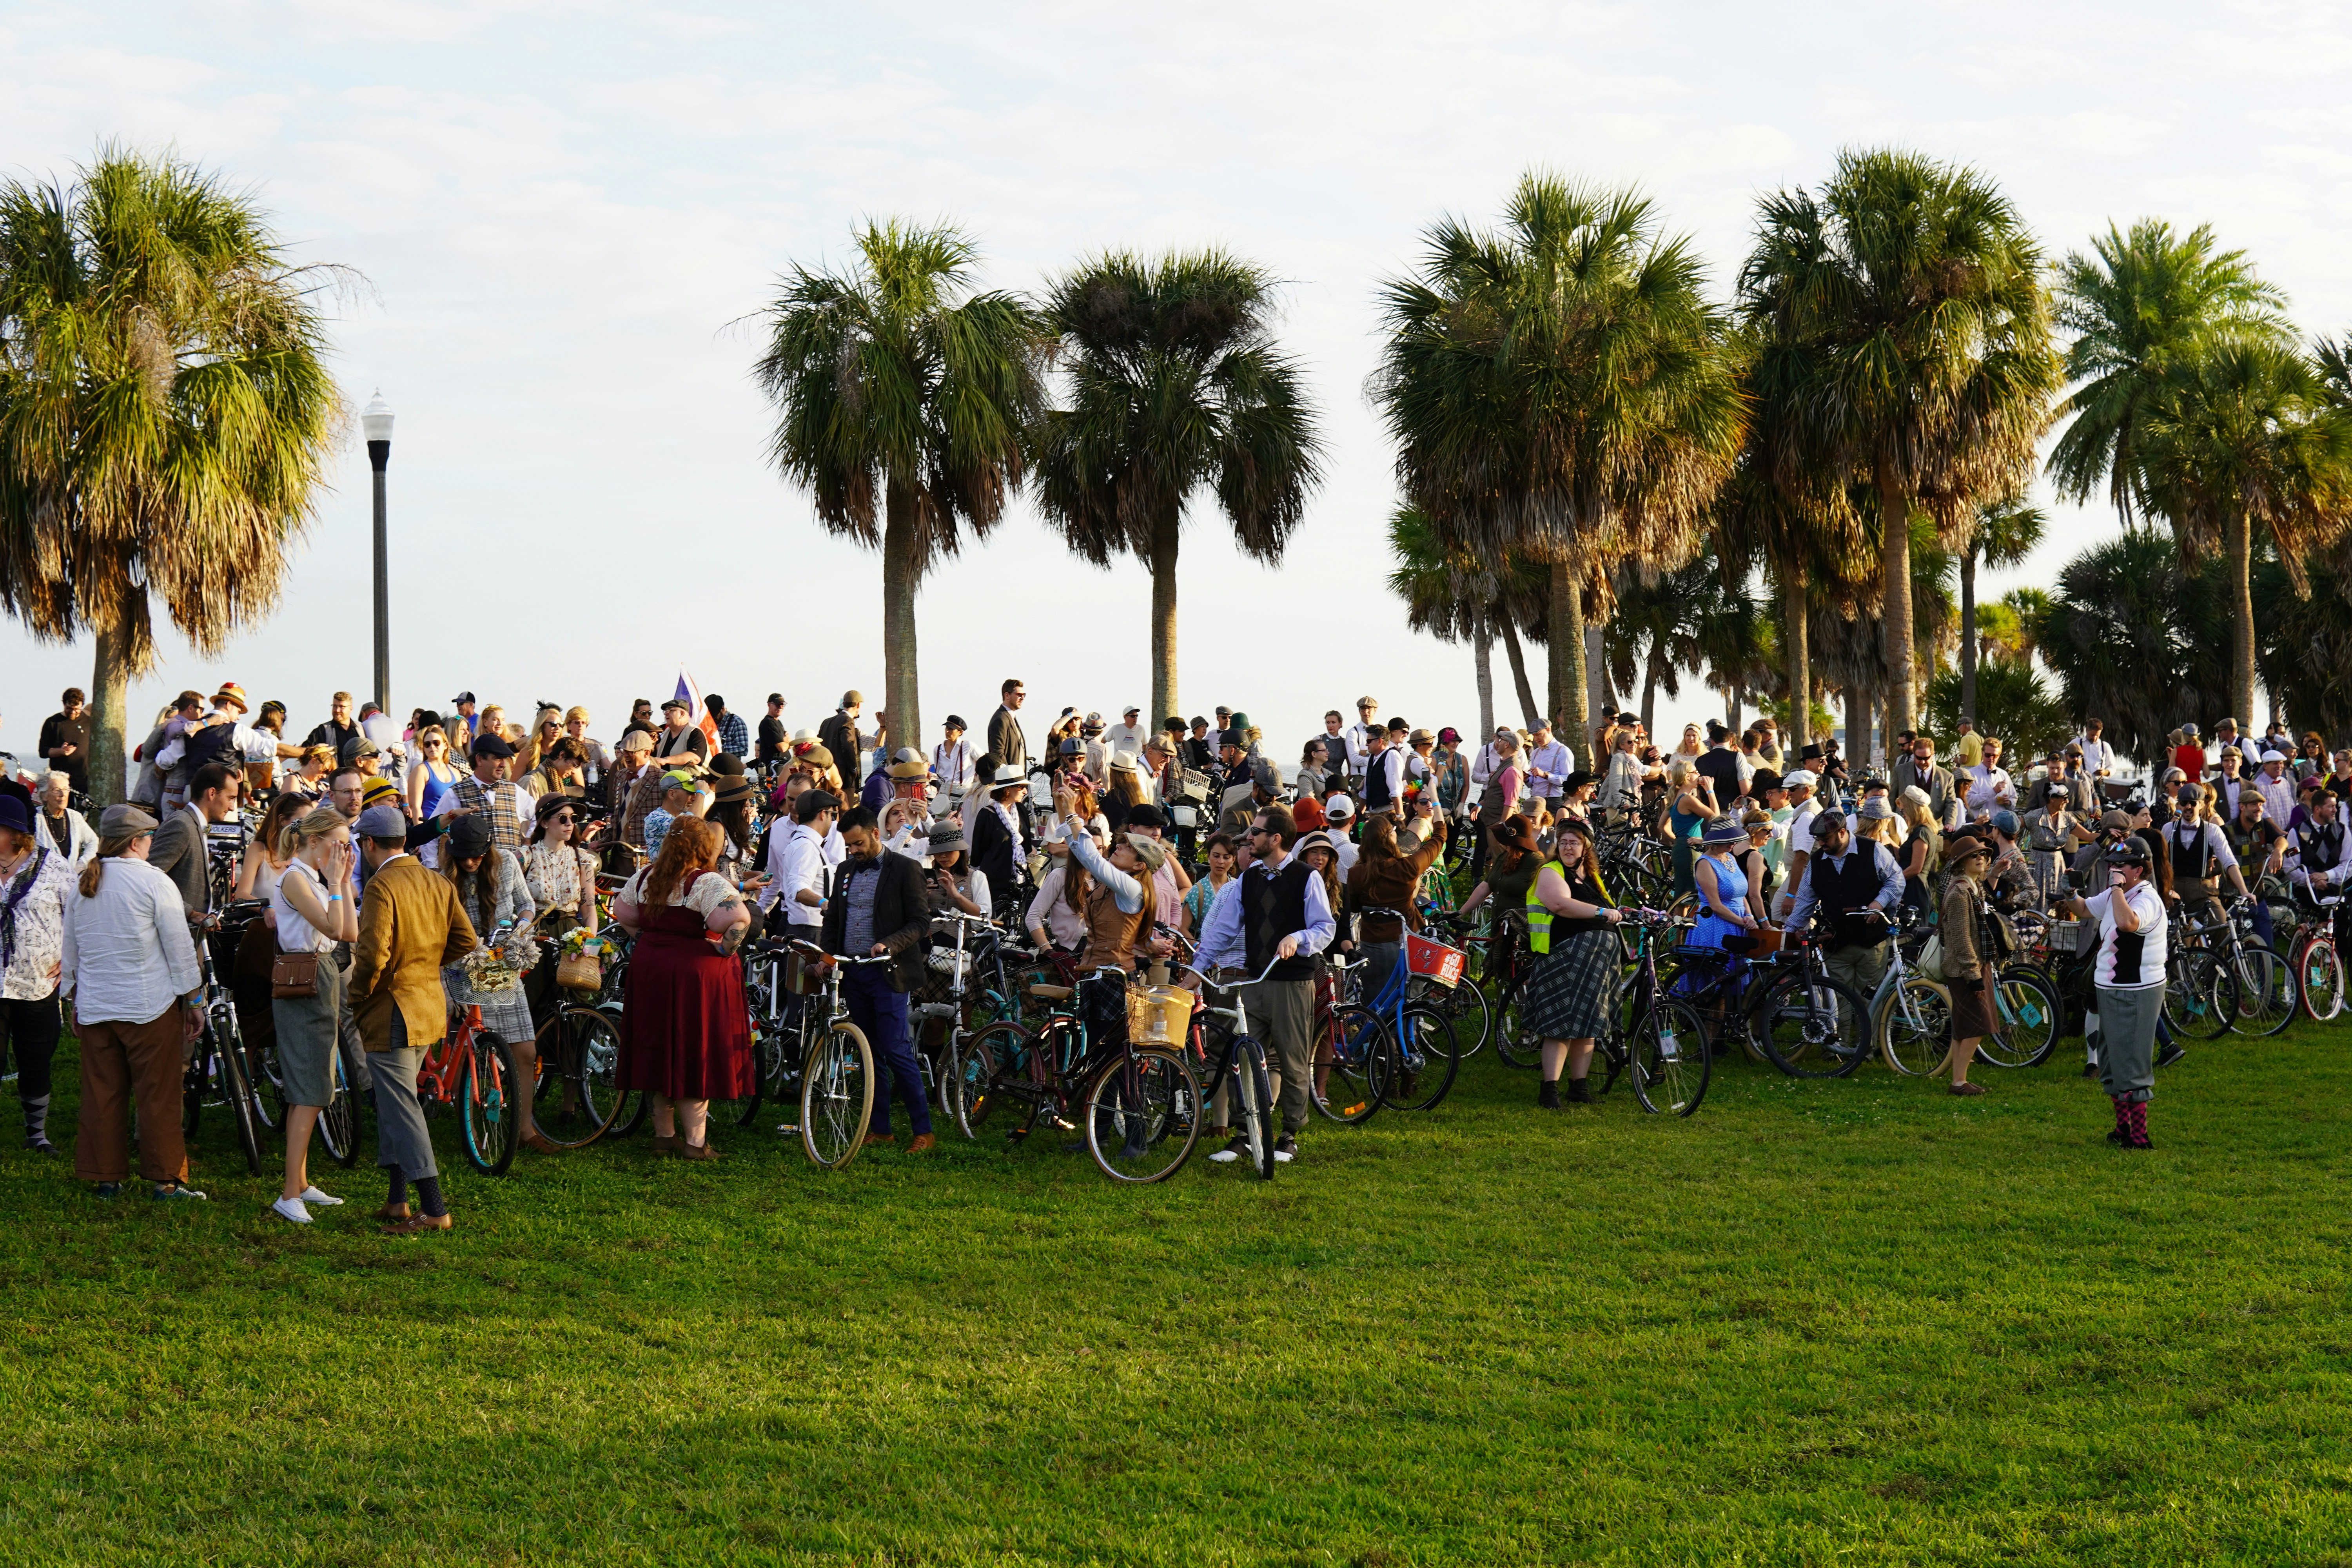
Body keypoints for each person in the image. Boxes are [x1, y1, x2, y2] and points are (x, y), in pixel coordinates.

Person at [63, 804, 207, 1199]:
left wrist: (74, 1000)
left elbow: (70, 951)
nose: (151, 844)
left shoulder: (84, 884)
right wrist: (194, 1001)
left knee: (101, 1095)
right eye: (149, 837)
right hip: (148, 1008)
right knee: (159, 1095)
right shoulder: (154, 882)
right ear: (135, 842)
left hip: (97, 1007)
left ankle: (105, 1178)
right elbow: (179, 948)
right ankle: (166, 1180)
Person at [1189, 805, 1334, 1166]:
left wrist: (1297, 938)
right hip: (1253, 982)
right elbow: (1223, 930)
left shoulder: (1306, 877)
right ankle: (1244, 1134)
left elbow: (1325, 928)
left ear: (1276, 838)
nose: (1249, 838)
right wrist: (1196, 970)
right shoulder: (1249, 878)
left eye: (1256, 832)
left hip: (1293, 984)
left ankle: (1289, 1135)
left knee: (1292, 1059)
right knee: (1241, 1057)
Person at [612, 817, 752, 1160]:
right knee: (693, 1049)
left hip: (650, 970)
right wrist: (726, 948)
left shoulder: (646, 876)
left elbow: (623, 912)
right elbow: (740, 918)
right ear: (704, 848)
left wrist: (647, 939)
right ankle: (695, 1143)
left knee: (658, 1046)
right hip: (694, 975)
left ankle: (664, 1137)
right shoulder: (705, 882)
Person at [265, 806, 360, 1222]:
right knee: (310, 1089)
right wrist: (337, 883)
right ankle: (289, 1193)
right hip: (305, 979)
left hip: (321, 974)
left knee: (315, 1085)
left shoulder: (316, 879)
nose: (343, 852)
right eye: (338, 844)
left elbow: (350, 932)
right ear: (315, 840)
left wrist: (343, 883)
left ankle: (300, 1183)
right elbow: (333, 928)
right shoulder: (294, 879)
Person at [820, 807, 935, 1152]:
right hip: (853, 972)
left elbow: (921, 922)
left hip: (888, 972)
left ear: (875, 833)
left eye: (858, 844)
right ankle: (881, 1128)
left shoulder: (906, 868)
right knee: (868, 1052)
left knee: (896, 1049)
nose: (853, 850)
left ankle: (923, 1130)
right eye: (848, 846)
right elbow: (833, 920)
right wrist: (827, 957)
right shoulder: (844, 871)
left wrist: (890, 944)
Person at [437, 813, 545, 1143]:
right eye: (464, 856)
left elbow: (526, 904)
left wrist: (521, 927)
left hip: (499, 965)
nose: (471, 862)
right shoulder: (442, 877)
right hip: (462, 965)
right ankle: (468, 1128)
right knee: (465, 1050)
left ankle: (525, 1130)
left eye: (478, 855)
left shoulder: (507, 863)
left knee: (525, 1051)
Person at [2058, 836, 2167, 1148]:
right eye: (2111, 865)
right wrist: (2070, 893)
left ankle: (2140, 1137)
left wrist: (2117, 890)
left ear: (2139, 870)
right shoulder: (2117, 894)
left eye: (2121, 866)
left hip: (2137, 990)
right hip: (2111, 988)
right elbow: (2084, 909)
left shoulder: (2146, 899)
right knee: (2110, 1060)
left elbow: (2127, 923)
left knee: (2132, 1062)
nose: (2113, 870)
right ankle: (2122, 1129)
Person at [1516, 819, 1624, 1107]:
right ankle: (1549, 1090)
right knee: (1560, 1023)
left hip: (1596, 960)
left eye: (1574, 842)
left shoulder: (1591, 876)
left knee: (1589, 1022)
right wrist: (1602, 912)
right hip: (1563, 958)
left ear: (1586, 847)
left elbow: (1609, 910)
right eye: (1563, 842)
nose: (1567, 847)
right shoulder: (1551, 872)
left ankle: (1579, 1087)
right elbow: (1560, 905)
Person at [0, 793, 77, 1153]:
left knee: (36, 1060)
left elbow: (78, 915)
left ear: (16, 833)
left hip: (38, 982)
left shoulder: (53, 867)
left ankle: (37, 1135)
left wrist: (71, 957)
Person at [1781, 810, 1906, 1006]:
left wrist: (1879, 903)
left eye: (1825, 839)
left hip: (1872, 942)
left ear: (1842, 832)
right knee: (1837, 1002)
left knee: (1870, 1001)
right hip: (1836, 944)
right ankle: (1842, 1029)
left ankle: (1869, 1028)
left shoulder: (1873, 850)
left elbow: (1896, 880)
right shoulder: (1817, 861)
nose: (1821, 844)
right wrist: (1790, 930)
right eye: (1818, 839)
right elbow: (1806, 898)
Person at [1344, 813, 1444, 1005]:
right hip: (1408, 939)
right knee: (1410, 997)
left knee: (1377, 1002)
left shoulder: (1356, 874)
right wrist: (1436, 805)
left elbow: (1355, 907)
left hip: (1374, 945)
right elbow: (1439, 839)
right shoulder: (1409, 866)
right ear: (1391, 838)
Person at [521, 791, 599, 1031]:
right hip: (536, 933)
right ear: (545, 822)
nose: (570, 824)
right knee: (534, 998)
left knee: (576, 996)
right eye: (563, 818)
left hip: (572, 932)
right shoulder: (526, 856)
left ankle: (571, 1051)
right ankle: (535, 1051)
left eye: (573, 819)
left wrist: (590, 942)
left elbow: (589, 908)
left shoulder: (582, 858)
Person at [1939, 828, 1997, 1098]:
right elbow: (1961, 938)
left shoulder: (1974, 888)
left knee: (1966, 1027)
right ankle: (1958, 1081)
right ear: (1961, 863)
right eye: (1974, 856)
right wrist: (1973, 975)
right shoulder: (1960, 893)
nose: (1980, 858)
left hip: (1975, 964)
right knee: (1977, 1025)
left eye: (1983, 854)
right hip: (1965, 969)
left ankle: (1959, 1080)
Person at [149, 763, 242, 920]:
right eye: (231, 798)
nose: (232, 807)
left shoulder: (193, 824)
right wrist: (191, 914)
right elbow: (149, 878)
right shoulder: (181, 825)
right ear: (212, 793)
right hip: (177, 925)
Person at [436, 732, 528, 858]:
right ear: (479, 760)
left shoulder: (515, 790)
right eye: (498, 759)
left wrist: (527, 846)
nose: (503, 765)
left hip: (512, 868)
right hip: (474, 868)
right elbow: (435, 828)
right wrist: (432, 862)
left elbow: (538, 818)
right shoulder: (455, 793)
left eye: (505, 759)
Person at [1689, 817, 1758, 964]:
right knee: (1719, 970)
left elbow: (1741, 894)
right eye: (1728, 840)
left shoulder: (1730, 858)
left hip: (1739, 923)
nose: (1733, 843)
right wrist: (1743, 922)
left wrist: (1749, 916)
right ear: (1715, 843)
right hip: (1717, 925)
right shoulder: (1705, 864)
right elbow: (1716, 906)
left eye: (1734, 839)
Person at [1663, 759, 1716, 897]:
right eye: (1696, 772)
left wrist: (1678, 840)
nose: (1699, 774)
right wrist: (1710, 790)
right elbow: (1716, 817)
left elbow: (1662, 826)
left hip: (1681, 847)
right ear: (1688, 776)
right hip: (1691, 849)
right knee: (1691, 896)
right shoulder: (1687, 799)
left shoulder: (1675, 797)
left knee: (1683, 896)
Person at [32, 772, 96, 870]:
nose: (63, 795)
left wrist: (82, 864)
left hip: (72, 877)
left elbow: (93, 841)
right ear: (44, 795)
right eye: (56, 790)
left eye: (66, 789)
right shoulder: (35, 818)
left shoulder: (75, 817)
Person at [38, 687, 90, 800]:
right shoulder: (52, 722)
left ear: (82, 706)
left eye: (77, 709)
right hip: (60, 780)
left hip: (85, 780)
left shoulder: (89, 722)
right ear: (64, 704)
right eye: (69, 708)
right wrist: (61, 751)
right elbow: (43, 752)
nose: (73, 712)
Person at [1961, 736, 2016, 818]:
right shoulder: (1971, 774)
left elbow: (2014, 799)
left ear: (1999, 756)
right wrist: (1993, 792)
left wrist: (2009, 802)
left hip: (2001, 822)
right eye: (1988, 755)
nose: (1991, 758)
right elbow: (1969, 801)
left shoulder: (2004, 775)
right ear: (1982, 753)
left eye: (1995, 756)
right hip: (1981, 822)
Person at [933, 716, 977, 801]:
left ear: (960, 732)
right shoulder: (937, 750)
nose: (947, 731)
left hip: (964, 790)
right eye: (947, 728)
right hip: (944, 790)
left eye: (951, 729)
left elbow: (985, 762)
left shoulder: (968, 746)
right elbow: (938, 771)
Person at [818, 691, 865, 771]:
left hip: (827, 769)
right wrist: (853, 767)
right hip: (843, 771)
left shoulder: (826, 722)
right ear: (858, 705)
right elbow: (848, 744)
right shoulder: (848, 721)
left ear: (844, 704)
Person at [705, 693, 749, 760]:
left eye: (715, 716)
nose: (713, 719)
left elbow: (743, 749)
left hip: (730, 766)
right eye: (710, 717)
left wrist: (719, 748)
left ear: (723, 709)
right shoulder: (710, 724)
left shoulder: (737, 722)